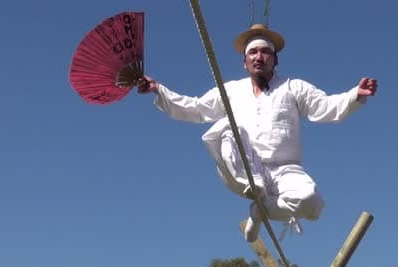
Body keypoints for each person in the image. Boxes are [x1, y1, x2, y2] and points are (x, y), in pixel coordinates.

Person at [121, 24, 377, 242]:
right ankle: (254, 187)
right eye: (252, 52)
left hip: (285, 169)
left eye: (265, 52)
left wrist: (355, 95)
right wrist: (158, 90)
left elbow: (325, 107)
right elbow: (197, 109)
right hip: (244, 166)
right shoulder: (231, 90)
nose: (259, 57)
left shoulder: (293, 87)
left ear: (275, 59)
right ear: (244, 63)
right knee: (226, 128)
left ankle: (260, 211)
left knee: (312, 201)